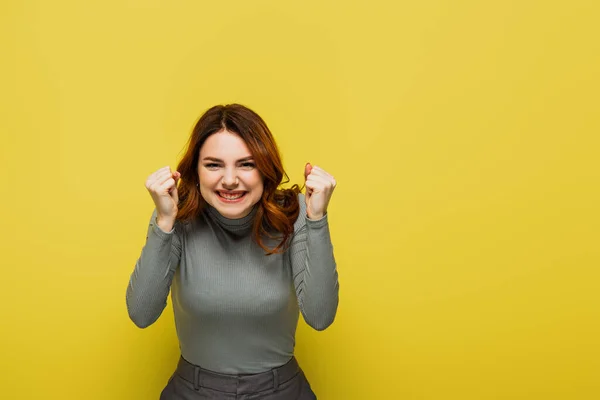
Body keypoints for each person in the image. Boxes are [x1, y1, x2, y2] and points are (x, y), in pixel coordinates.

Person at [126, 103, 339, 399]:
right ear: (195, 171)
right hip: (192, 391)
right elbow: (141, 313)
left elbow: (320, 316)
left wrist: (317, 220)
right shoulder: (178, 215)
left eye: (246, 164)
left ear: (265, 170)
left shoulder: (297, 213)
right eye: (213, 165)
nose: (229, 180)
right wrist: (164, 222)